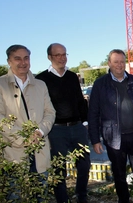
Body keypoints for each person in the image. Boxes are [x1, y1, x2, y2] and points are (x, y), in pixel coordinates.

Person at [88, 49, 133, 203]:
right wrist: (95, 140)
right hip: (114, 139)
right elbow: (93, 113)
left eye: (122, 61)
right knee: (119, 176)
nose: (119, 65)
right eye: (115, 62)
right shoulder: (100, 84)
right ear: (109, 63)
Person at [0, 44, 56, 201]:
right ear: (9, 61)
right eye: (17, 58)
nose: (23, 62)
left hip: (40, 150)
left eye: (26, 58)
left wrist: (39, 132)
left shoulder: (40, 85)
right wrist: (23, 138)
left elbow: (50, 112)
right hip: (13, 152)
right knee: (16, 195)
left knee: (41, 194)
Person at [36, 43, 90, 203]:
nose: (62, 58)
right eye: (57, 55)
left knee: (84, 165)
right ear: (49, 57)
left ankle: (82, 196)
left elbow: (80, 101)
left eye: (64, 54)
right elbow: (40, 108)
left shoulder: (73, 76)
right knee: (59, 169)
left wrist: (85, 123)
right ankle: (62, 199)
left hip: (77, 127)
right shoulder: (41, 79)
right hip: (55, 130)